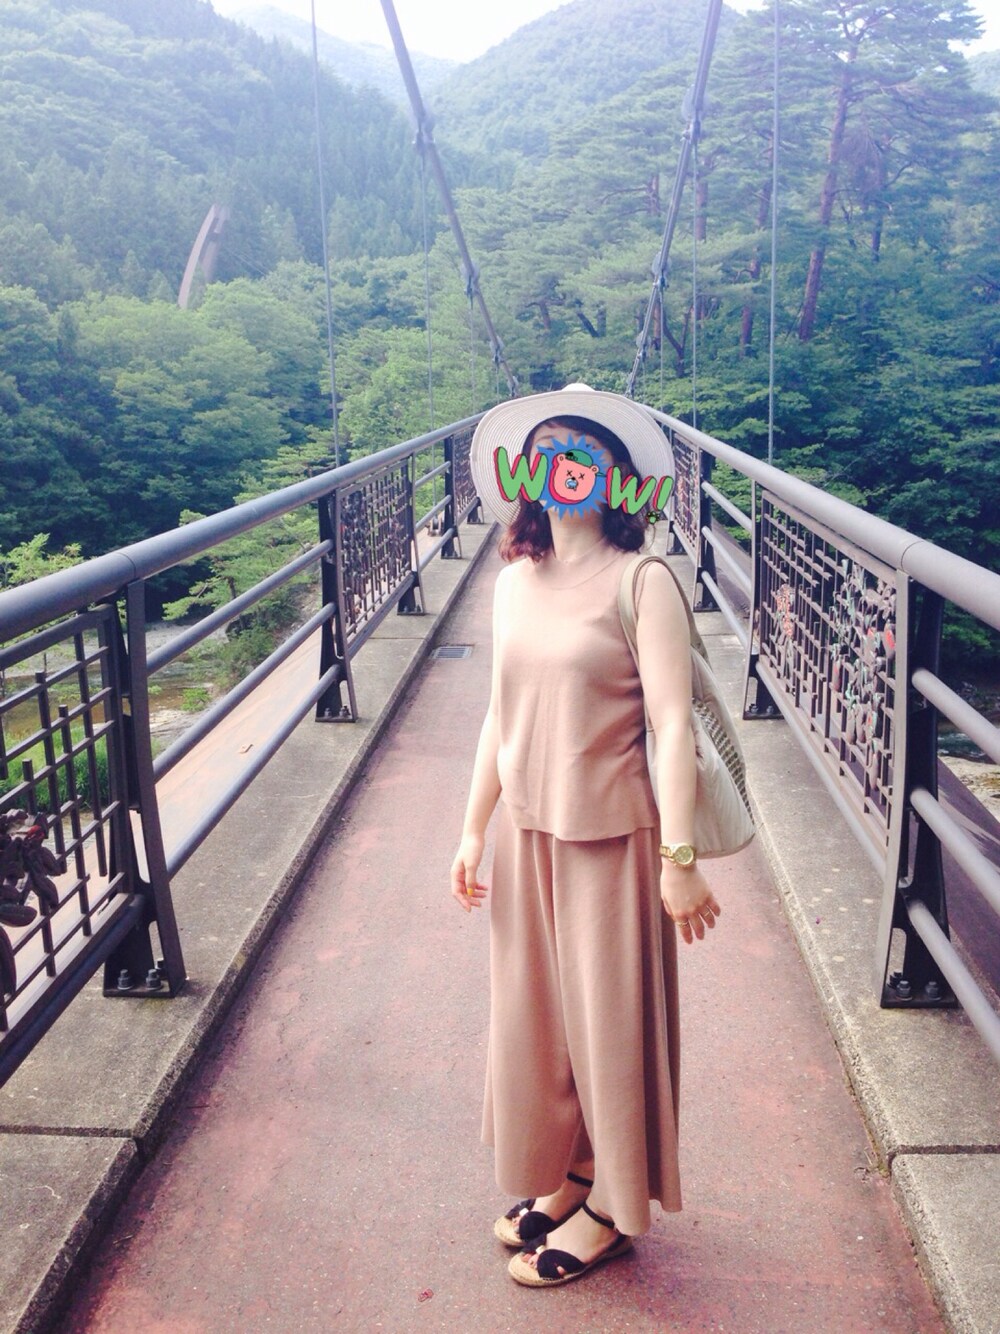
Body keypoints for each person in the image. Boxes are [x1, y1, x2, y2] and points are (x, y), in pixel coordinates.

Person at [450, 386, 722, 1288]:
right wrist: (472, 828)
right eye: (546, 452)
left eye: (582, 452)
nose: (562, 468)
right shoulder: (511, 584)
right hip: (529, 831)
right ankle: (569, 1173)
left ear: (615, 476)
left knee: (608, 1026)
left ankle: (610, 1205)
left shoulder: (642, 581)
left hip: (612, 836)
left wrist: (679, 859)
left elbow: (673, 727)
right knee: (539, 1022)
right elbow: (500, 714)